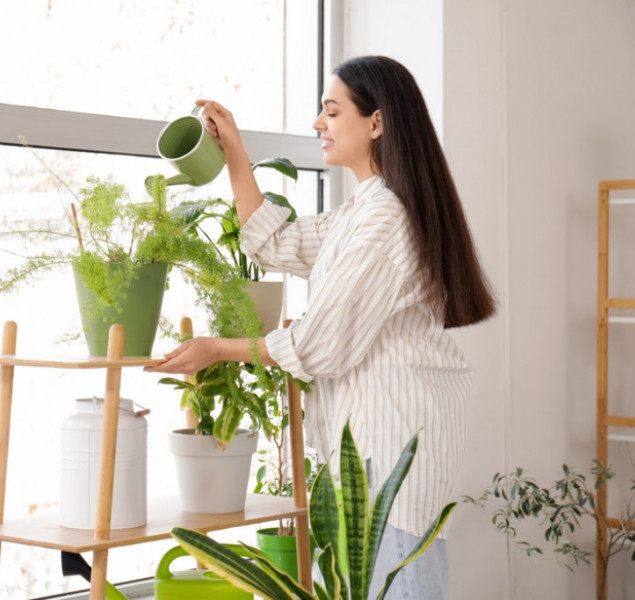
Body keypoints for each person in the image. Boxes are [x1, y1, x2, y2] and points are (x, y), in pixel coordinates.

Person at [145, 55, 496, 599]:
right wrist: (236, 153)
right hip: (379, 447)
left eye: (331, 112)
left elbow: (320, 345)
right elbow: (276, 243)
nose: (318, 124)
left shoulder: (385, 218)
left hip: (390, 450)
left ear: (376, 123)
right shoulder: (364, 208)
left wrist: (216, 348)